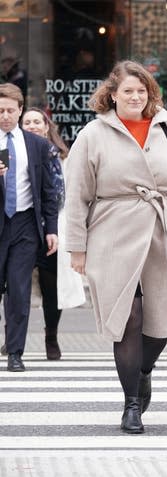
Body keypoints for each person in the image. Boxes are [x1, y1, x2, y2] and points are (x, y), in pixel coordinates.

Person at [65, 60, 167, 433]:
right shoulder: (93, 134)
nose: (135, 96)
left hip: (163, 227)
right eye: (128, 91)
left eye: (141, 90)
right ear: (112, 95)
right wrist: (76, 247)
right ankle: (131, 404)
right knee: (127, 318)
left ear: (150, 94)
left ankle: (144, 371)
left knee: (158, 325)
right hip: (111, 230)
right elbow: (77, 193)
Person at [0, 83, 59, 372]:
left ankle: (15, 353)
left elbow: (49, 192)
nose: (5, 116)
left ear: (20, 110)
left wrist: (52, 229)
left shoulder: (37, 145)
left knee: (20, 291)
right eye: (0, 111)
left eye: (11, 110)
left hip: (25, 225)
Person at [21, 108, 86, 360]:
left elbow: (71, 197)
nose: (33, 126)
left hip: (53, 228)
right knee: (15, 286)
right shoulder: (11, 152)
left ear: (47, 127)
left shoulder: (61, 157)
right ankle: (14, 337)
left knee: (51, 287)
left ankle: (51, 336)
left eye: (37, 121)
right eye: (27, 122)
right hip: (22, 227)